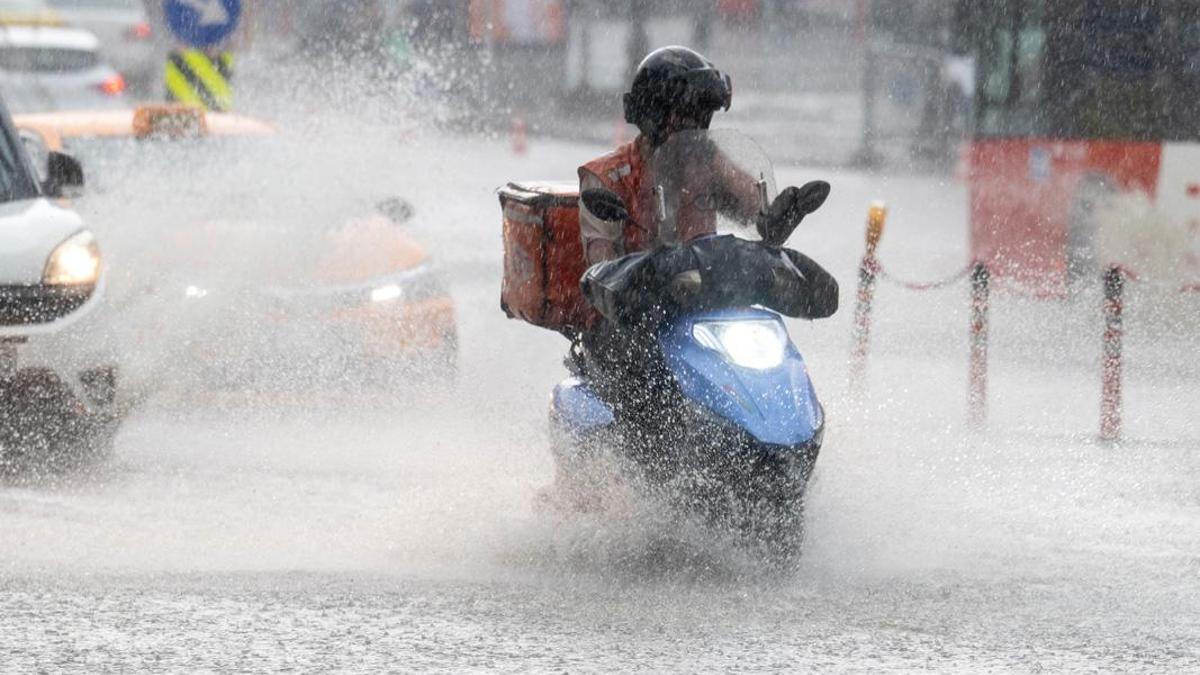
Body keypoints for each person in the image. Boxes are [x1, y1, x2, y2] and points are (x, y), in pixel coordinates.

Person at [574, 46, 839, 417]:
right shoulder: (606, 178)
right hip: (635, 316)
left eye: (704, 116)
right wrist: (644, 273)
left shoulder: (705, 162)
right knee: (649, 389)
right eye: (688, 115)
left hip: (703, 302)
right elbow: (601, 269)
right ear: (655, 115)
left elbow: (752, 204)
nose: (697, 127)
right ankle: (643, 459)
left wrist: (777, 215)